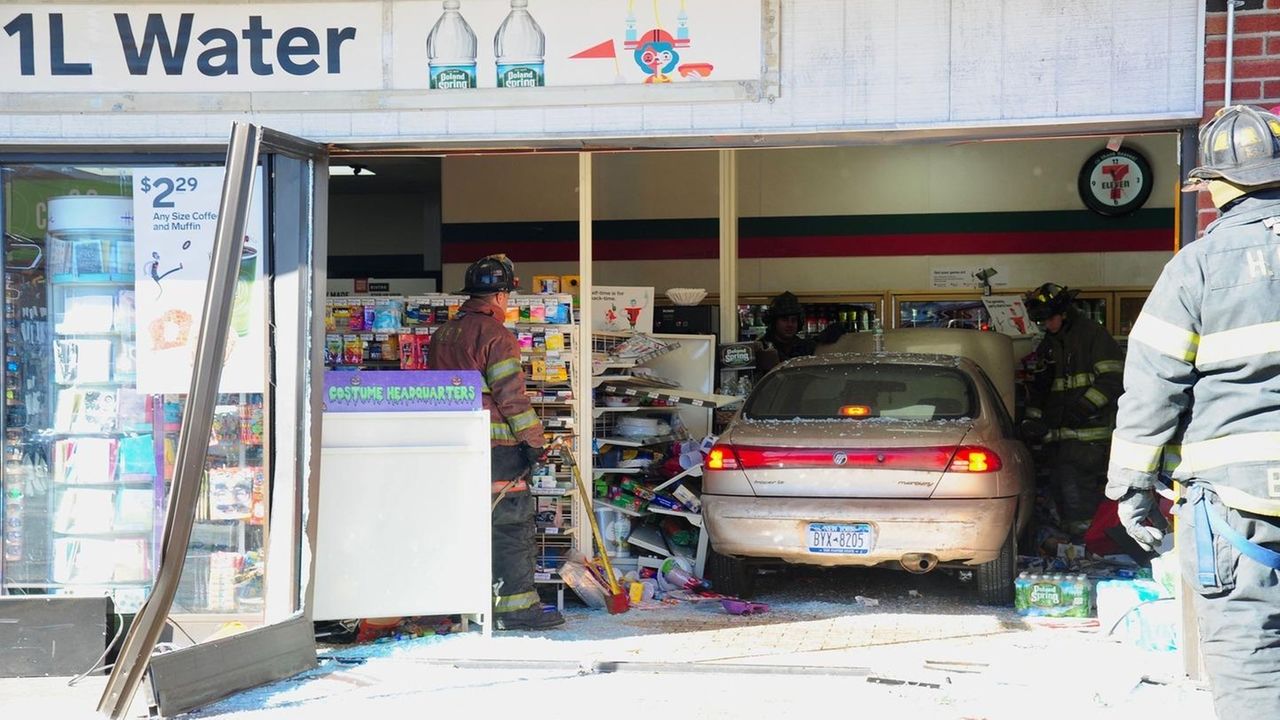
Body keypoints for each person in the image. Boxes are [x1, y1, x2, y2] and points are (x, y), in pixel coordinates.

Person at [1106, 104, 1280, 718]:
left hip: (1238, 511)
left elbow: (1151, 387)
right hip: (1239, 506)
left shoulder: (1196, 268)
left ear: (1216, 186)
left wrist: (1131, 489)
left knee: (1251, 671)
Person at [428, 254, 564, 631]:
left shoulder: (443, 335)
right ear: (501, 296)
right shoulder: (496, 336)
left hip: (453, 449)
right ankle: (516, 608)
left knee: (464, 524)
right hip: (497, 452)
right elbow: (511, 397)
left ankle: (466, 603)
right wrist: (533, 441)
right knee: (509, 524)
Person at [1020, 282, 1125, 538]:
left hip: (1086, 434)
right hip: (1059, 437)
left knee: (1076, 494)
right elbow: (1041, 390)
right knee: (1060, 492)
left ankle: (1087, 547)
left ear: (1063, 313)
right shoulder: (1049, 344)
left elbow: (1112, 379)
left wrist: (1081, 409)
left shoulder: (1092, 336)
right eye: (1040, 322)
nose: (1044, 325)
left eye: (1047, 319)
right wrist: (1032, 421)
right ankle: (1071, 548)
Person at [755, 291, 845, 375]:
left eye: (793, 320)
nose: (790, 324)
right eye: (784, 320)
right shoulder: (762, 347)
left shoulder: (805, 346)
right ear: (774, 322)